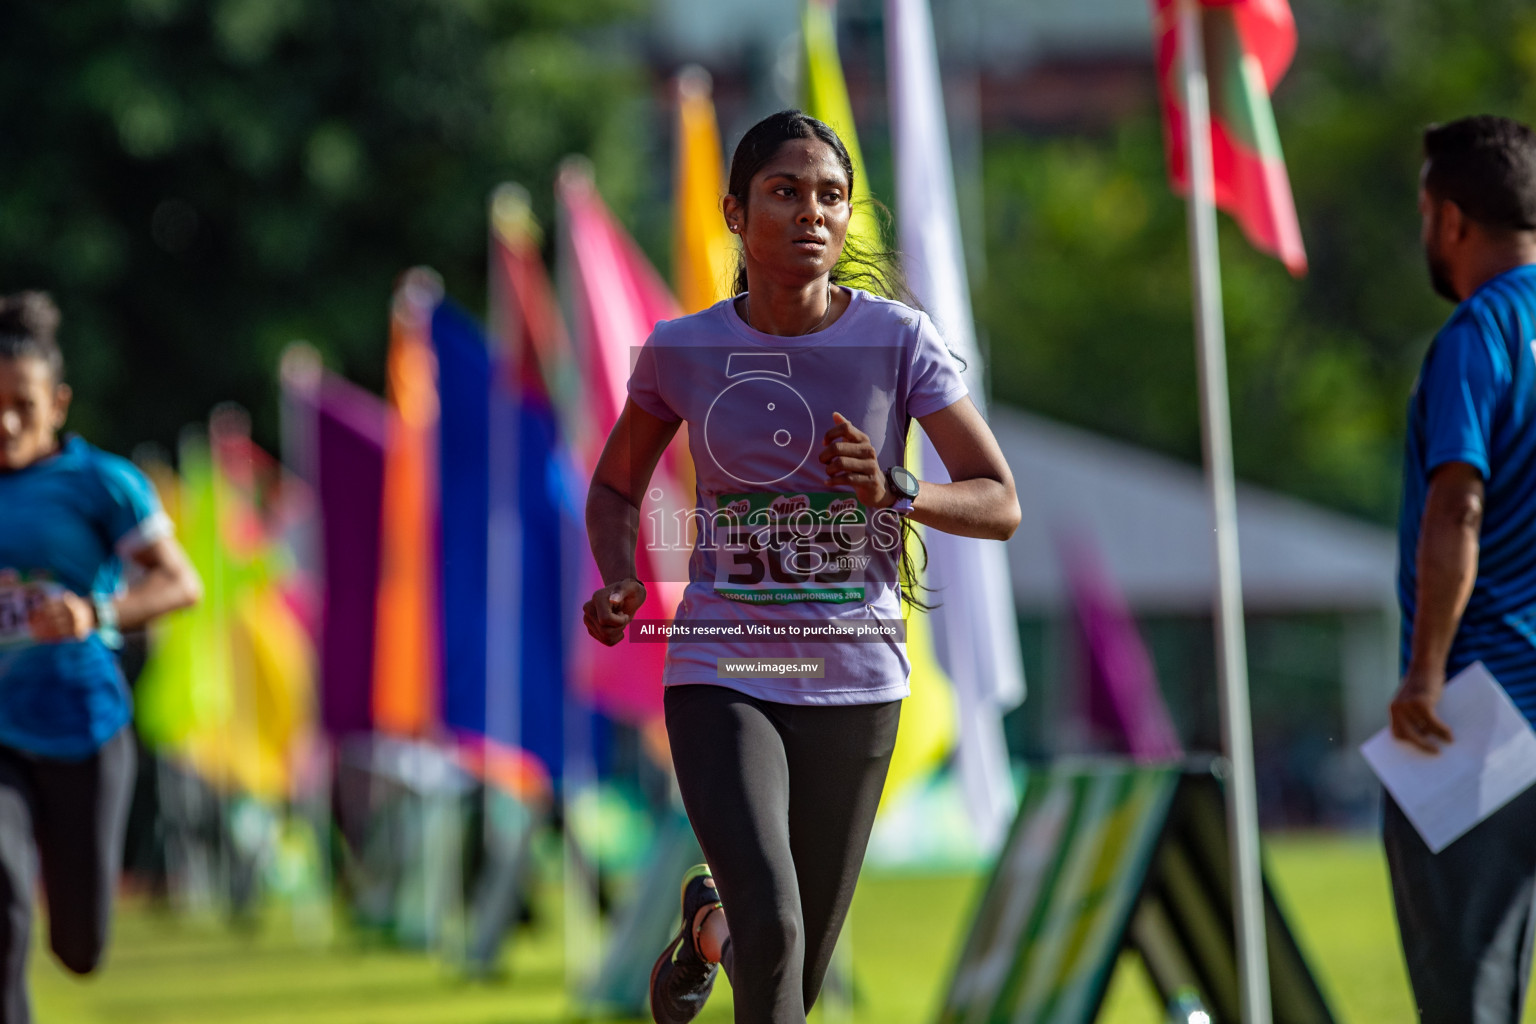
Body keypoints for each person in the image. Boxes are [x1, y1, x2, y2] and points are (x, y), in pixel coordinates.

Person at [581, 110, 1020, 1024]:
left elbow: (997, 499)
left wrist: (897, 488)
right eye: (785, 192)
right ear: (736, 214)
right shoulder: (684, 350)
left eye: (831, 196)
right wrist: (620, 575)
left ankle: (707, 930)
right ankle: (728, 923)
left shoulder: (900, 342)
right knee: (775, 930)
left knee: (786, 974)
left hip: (858, 680)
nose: (811, 213)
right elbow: (615, 489)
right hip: (722, 668)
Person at [0, 291, 201, 1023]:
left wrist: (96, 613)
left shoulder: (100, 483)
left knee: (79, 947)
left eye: (21, 403)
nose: (4, 422)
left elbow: (182, 582)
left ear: (57, 402)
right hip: (2, 736)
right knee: (2, 894)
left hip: (86, 730)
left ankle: (78, 930)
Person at [1385, 115, 1536, 1024]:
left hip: (1485, 713)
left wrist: (1424, 677)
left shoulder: (1479, 336)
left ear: (1448, 219)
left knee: (1466, 999)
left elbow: (1457, 506)